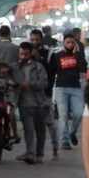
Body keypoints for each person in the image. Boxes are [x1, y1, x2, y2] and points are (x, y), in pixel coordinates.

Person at [49, 33, 88, 150]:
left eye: (72, 42)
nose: (70, 44)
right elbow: (52, 71)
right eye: (68, 42)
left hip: (76, 87)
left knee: (79, 113)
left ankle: (72, 132)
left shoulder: (79, 55)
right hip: (61, 88)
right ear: (63, 43)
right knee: (63, 115)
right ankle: (65, 140)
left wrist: (78, 55)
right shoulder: (57, 55)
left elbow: (83, 69)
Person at [14, 42, 48, 164]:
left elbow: (44, 83)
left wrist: (31, 85)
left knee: (40, 130)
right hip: (24, 103)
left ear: (30, 54)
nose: (23, 56)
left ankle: (39, 154)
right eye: (21, 54)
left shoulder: (38, 66)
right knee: (28, 130)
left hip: (39, 103)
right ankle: (30, 153)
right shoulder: (15, 67)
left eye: (26, 54)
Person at [30, 28, 59, 160]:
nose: (34, 42)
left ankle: (55, 146)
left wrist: (39, 59)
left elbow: (52, 73)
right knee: (35, 124)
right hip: (30, 95)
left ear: (41, 40)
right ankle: (36, 152)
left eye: (36, 39)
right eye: (32, 40)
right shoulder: (26, 52)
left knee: (49, 123)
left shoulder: (49, 53)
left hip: (45, 94)